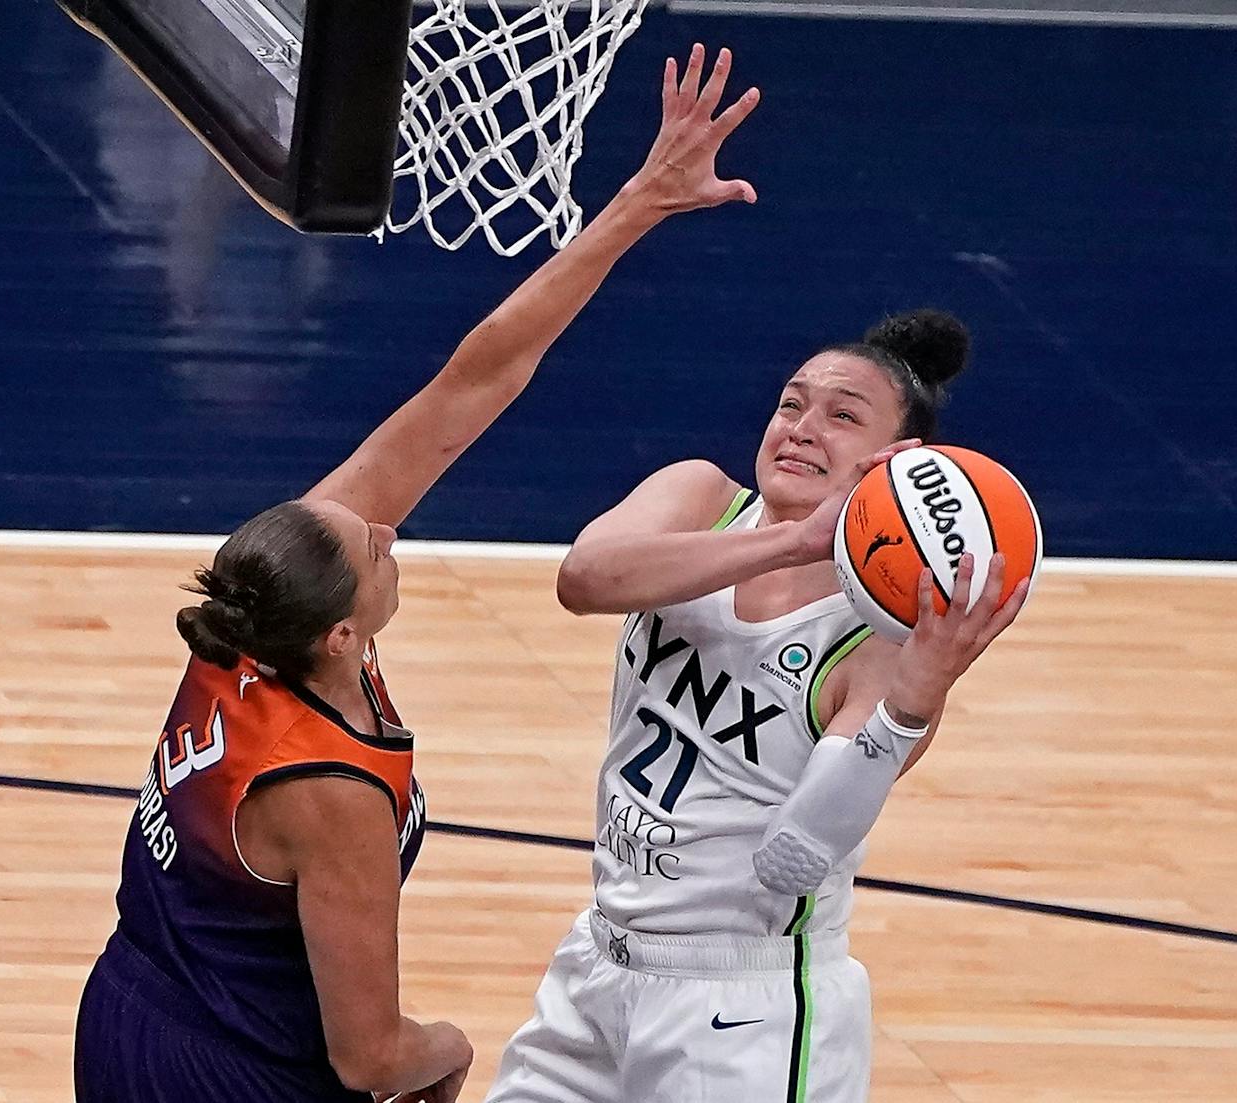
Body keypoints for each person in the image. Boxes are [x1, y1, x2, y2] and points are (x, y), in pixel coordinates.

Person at [71, 43, 762, 1103]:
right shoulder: (330, 787)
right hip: (226, 1072)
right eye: (373, 550)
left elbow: (470, 378)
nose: (387, 532)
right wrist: (453, 1045)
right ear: (342, 636)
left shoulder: (260, 599)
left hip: (131, 1002)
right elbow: (371, 1056)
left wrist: (636, 204)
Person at [483, 266, 1030, 1099]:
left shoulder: (882, 643)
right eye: (791, 403)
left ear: (900, 461)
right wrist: (791, 541)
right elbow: (585, 578)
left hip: (747, 1010)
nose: (803, 427)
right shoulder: (699, 496)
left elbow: (794, 857)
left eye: (842, 416)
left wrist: (917, 698)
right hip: (597, 965)